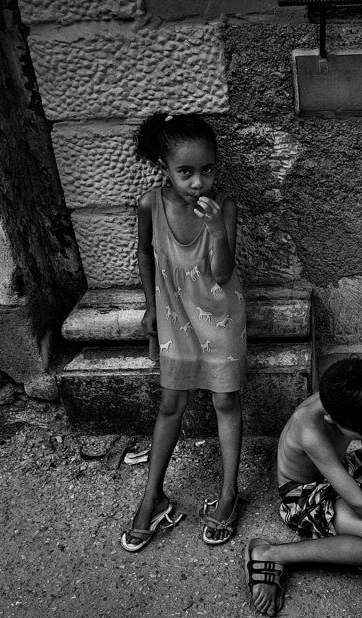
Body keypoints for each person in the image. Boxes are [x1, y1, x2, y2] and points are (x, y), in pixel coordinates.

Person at [120, 112, 247, 551]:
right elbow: (143, 252)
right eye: (186, 172)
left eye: (207, 170)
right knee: (171, 403)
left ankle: (229, 493)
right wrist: (150, 306)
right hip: (175, 316)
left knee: (225, 401)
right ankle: (152, 497)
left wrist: (216, 230)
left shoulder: (223, 207)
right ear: (165, 168)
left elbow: (222, 273)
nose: (198, 182)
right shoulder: (150, 205)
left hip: (221, 316)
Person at [243, 358, 362, 617]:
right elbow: (357, 502)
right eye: (361, 434)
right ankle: (271, 554)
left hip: (341, 471)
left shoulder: (346, 396)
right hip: (307, 495)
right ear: (330, 419)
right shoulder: (308, 428)